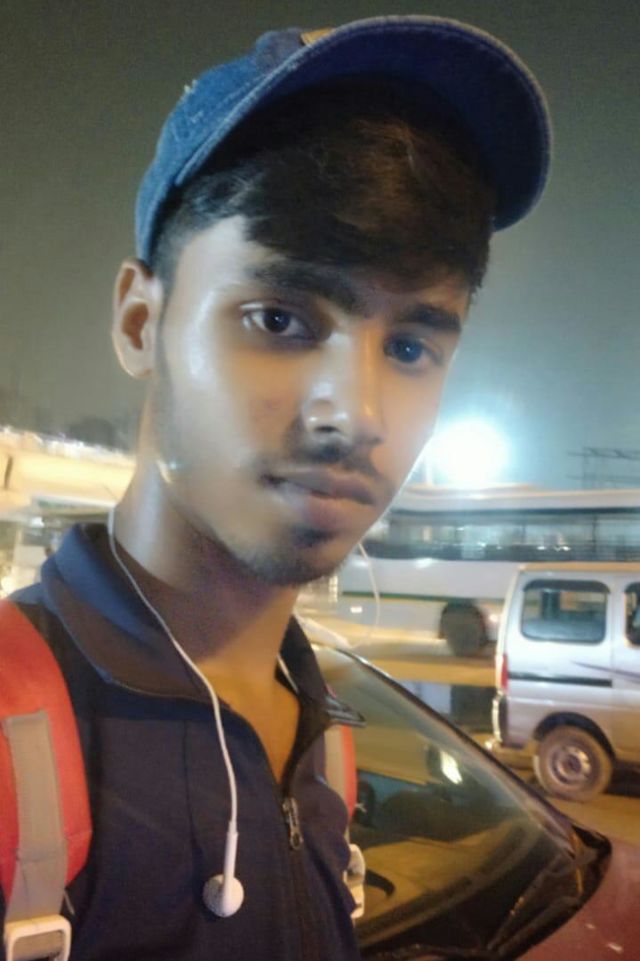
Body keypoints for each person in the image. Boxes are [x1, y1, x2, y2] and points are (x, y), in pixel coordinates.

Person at [1, 15, 551, 961]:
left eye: (410, 346)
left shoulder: (322, 734)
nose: (358, 414)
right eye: (279, 318)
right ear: (139, 323)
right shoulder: (17, 733)